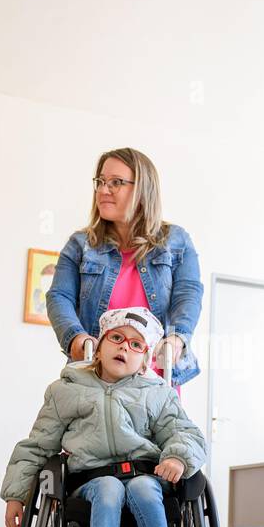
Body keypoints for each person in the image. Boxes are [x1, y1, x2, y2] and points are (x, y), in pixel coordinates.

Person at [0, 308, 207, 527]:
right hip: (92, 482)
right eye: (116, 338)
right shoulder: (65, 390)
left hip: (145, 476)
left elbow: (185, 433)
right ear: (98, 346)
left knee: (142, 486)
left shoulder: (157, 394)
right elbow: (37, 445)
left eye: (137, 344)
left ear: (144, 362)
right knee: (110, 487)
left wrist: (177, 457)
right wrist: (16, 494)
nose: (124, 347)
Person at [45, 147, 203, 398]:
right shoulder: (80, 244)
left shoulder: (176, 241)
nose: (103, 190)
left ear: (142, 190)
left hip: (154, 384)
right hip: (94, 380)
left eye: (116, 182)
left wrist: (177, 339)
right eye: (100, 182)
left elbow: (188, 294)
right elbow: (58, 296)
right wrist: (75, 338)